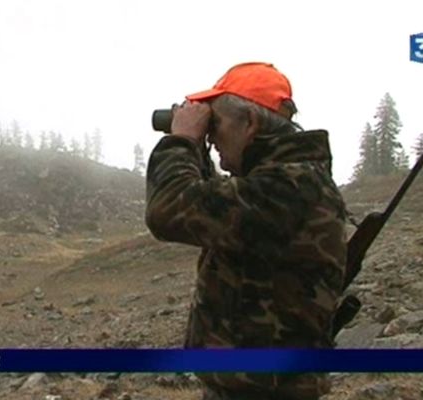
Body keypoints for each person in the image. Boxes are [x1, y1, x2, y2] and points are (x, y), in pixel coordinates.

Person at [145, 62, 347, 400]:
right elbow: (216, 209)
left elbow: (169, 209)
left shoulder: (287, 189)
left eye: (217, 124)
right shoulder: (286, 182)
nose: (212, 136)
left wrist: (182, 140)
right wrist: (201, 151)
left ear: (250, 123)